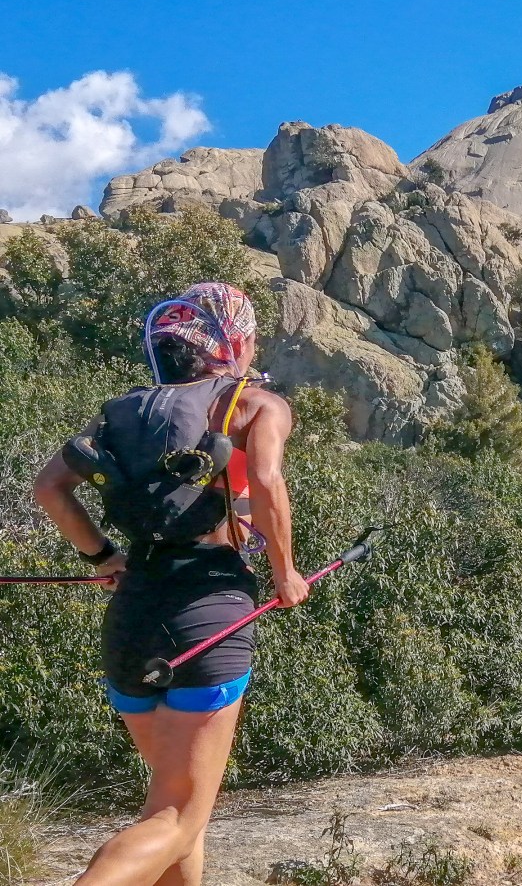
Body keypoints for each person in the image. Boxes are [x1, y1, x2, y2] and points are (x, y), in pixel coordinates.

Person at [34, 282, 310, 886]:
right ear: (229, 339)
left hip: (131, 620)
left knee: (180, 808)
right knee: (179, 814)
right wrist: (284, 573)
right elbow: (264, 480)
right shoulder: (255, 403)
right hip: (209, 612)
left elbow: (49, 487)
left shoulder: (122, 412)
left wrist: (103, 557)